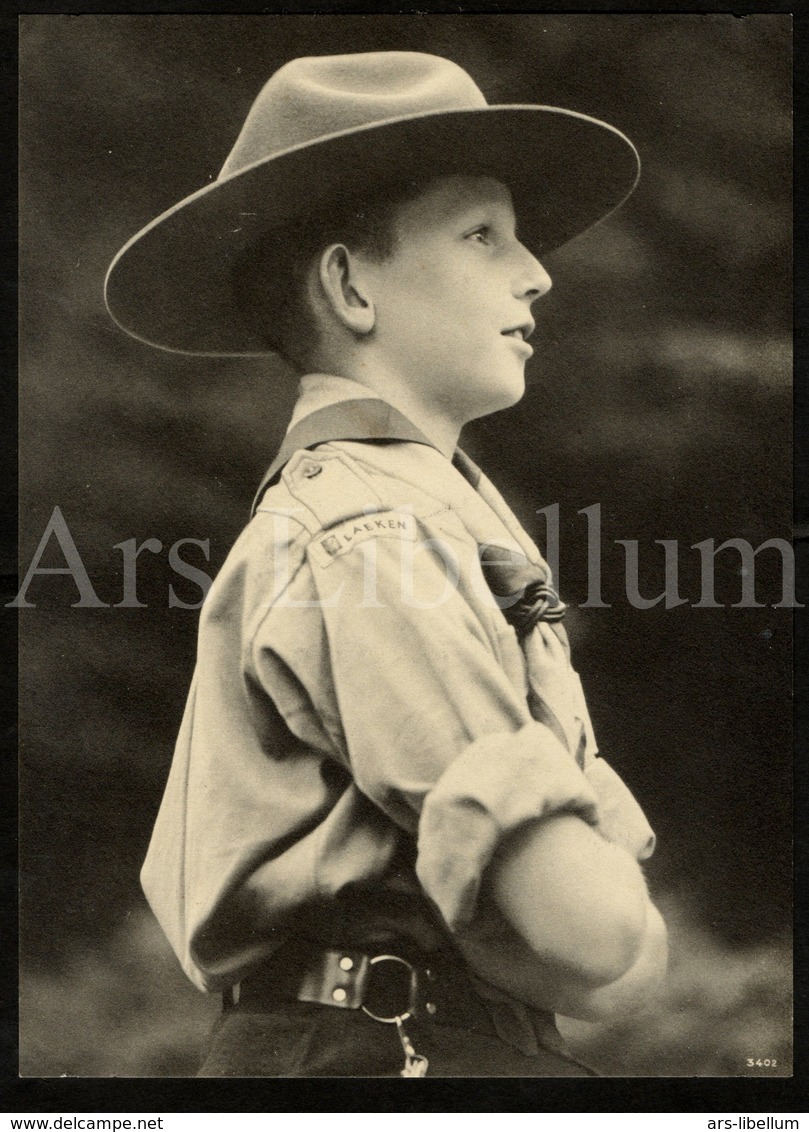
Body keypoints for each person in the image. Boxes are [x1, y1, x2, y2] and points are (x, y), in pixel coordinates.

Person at [105, 50, 668, 1078]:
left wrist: (592, 921)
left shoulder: (428, 517)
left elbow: (617, 970)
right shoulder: (373, 534)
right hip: (381, 1058)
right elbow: (597, 936)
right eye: (481, 234)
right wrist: (587, 908)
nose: (536, 271)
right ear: (350, 283)